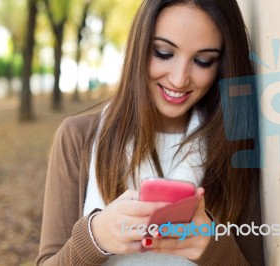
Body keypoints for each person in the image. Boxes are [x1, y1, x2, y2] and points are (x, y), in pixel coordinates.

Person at [36, 0, 264, 265]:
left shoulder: (236, 145)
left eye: (204, 61)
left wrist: (211, 244)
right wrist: (95, 237)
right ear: (140, 46)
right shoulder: (77, 138)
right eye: (164, 53)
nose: (179, 79)